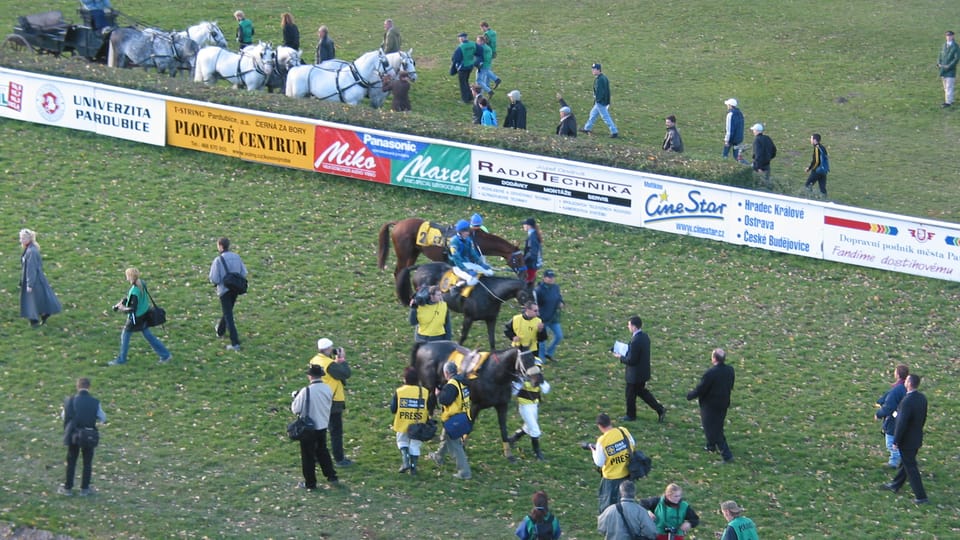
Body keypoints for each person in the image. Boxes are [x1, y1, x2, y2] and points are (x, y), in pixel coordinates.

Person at [109, 268, 171, 366]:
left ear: (130, 277)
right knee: (149, 336)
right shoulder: (141, 283)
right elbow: (131, 299)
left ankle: (122, 359)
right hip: (144, 314)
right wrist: (122, 302)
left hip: (136, 319)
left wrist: (121, 308)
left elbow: (132, 308)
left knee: (125, 336)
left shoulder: (134, 291)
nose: (126, 278)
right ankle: (165, 355)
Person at [882, 374, 929, 504]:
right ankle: (895, 485)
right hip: (916, 437)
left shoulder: (906, 401)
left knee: (911, 467)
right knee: (906, 463)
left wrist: (896, 440)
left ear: (908, 383)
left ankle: (921, 496)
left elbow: (901, 423)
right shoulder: (922, 398)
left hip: (907, 440)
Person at [291, 364, 338, 489]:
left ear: (310, 376)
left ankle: (310, 482)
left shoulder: (306, 391)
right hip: (323, 424)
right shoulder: (328, 389)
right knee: (322, 451)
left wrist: (296, 397)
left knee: (308, 456)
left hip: (309, 428)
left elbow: (296, 409)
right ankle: (331, 475)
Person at [58, 377, 106, 496]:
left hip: (74, 435)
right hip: (88, 434)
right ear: (89, 387)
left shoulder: (70, 400)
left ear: (77, 386)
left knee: (71, 461)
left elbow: (64, 416)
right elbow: (103, 418)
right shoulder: (95, 402)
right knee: (87, 462)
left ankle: (68, 488)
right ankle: (85, 488)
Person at [612, 316, 666, 423]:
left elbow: (632, 360)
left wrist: (620, 357)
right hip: (643, 373)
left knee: (630, 395)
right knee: (642, 393)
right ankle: (660, 409)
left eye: (629, 325)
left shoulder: (635, 340)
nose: (628, 326)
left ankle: (631, 415)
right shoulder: (644, 337)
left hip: (634, 375)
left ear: (634, 327)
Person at [686, 348, 735, 463]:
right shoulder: (730, 370)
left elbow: (702, 388)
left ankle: (727, 455)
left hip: (710, 405)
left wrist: (690, 395)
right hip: (723, 403)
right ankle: (711, 445)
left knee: (713, 429)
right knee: (717, 425)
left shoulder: (710, 373)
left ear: (714, 359)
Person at [310, 338, 353, 466]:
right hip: (332, 400)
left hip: (318, 398)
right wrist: (342, 361)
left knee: (319, 429)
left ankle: (316, 455)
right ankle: (339, 459)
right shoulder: (330, 364)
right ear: (328, 349)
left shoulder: (315, 360)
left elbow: (329, 375)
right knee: (335, 431)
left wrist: (335, 362)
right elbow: (345, 374)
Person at [430, 362, 472, 480]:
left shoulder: (452, 384)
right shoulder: (462, 382)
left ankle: (464, 472)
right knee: (446, 436)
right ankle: (438, 456)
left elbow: (445, 400)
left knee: (455, 446)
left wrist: (439, 394)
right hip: (463, 417)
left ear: (446, 373)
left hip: (454, 419)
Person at [390, 366, 431, 475]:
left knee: (402, 441)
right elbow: (429, 407)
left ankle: (405, 460)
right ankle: (413, 468)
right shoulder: (425, 392)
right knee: (415, 445)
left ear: (405, 379)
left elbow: (393, 409)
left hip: (403, 423)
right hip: (419, 424)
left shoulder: (399, 391)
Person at [209, 237, 248, 351]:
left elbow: (214, 279)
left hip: (224, 290)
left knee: (229, 316)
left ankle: (235, 343)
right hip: (235, 289)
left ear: (220, 246)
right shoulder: (236, 257)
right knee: (228, 311)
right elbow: (243, 272)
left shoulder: (218, 260)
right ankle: (220, 330)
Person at [589, 413, 633, 514]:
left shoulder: (602, 440)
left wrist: (593, 451)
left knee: (608, 507)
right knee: (626, 503)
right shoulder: (623, 431)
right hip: (627, 474)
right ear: (610, 422)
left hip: (611, 479)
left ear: (599, 426)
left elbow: (599, 462)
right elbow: (632, 444)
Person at [19, 228, 61, 328]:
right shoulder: (30, 249)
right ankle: (42, 314)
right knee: (37, 298)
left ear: (28, 239)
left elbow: (31, 268)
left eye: (22, 238)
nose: (21, 240)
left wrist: (29, 284)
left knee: (30, 300)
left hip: (33, 280)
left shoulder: (31, 251)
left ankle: (35, 320)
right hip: (34, 279)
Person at [506, 365, 550, 460]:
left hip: (534, 406)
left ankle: (512, 439)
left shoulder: (540, 380)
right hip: (525, 407)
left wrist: (541, 383)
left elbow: (546, 390)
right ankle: (537, 453)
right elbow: (513, 392)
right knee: (535, 430)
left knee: (528, 427)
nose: (535, 377)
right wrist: (519, 384)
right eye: (533, 375)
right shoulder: (522, 381)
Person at [875, 364, 909, 468]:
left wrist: (879, 414)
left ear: (898, 374)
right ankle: (904, 459)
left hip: (894, 419)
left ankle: (895, 462)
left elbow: (889, 406)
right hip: (905, 419)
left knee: (891, 440)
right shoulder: (906, 387)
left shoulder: (896, 390)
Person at [449, 219, 494, 287]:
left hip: (468, 264)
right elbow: (456, 259)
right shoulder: (454, 242)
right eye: (466, 231)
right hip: (457, 266)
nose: (468, 233)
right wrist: (466, 270)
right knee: (472, 281)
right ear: (461, 232)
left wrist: (481, 263)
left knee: (490, 272)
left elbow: (472, 253)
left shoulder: (468, 239)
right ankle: (458, 286)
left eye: (468, 231)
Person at [581, 63, 619, 138]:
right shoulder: (603, 78)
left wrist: (597, 100)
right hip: (601, 101)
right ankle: (587, 128)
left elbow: (601, 92)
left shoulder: (600, 79)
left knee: (605, 117)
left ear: (598, 70)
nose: (592, 71)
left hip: (600, 102)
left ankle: (614, 131)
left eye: (594, 69)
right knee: (593, 114)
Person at [534, 270, 564, 361]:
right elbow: (534, 304)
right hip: (543, 318)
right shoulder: (538, 290)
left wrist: (561, 303)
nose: (551, 279)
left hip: (553, 317)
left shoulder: (556, 287)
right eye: (549, 277)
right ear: (544, 278)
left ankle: (549, 353)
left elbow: (559, 297)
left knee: (559, 336)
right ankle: (541, 359)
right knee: (542, 340)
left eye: (552, 277)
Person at [450, 33, 478, 104]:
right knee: (466, 81)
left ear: (461, 38)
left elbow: (455, 58)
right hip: (470, 65)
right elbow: (479, 51)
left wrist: (454, 67)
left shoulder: (461, 47)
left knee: (463, 84)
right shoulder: (473, 44)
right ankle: (470, 97)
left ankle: (465, 99)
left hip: (463, 67)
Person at [750, 123, 777, 189]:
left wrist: (758, 167)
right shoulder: (767, 138)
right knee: (766, 184)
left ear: (757, 131)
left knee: (758, 185)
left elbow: (758, 154)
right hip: (767, 165)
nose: (753, 132)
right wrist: (769, 158)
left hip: (759, 167)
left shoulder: (757, 140)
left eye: (754, 130)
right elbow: (774, 150)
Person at [803, 133, 829, 199]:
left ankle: (810, 198)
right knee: (822, 189)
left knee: (807, 185)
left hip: (817, 171)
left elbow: (816, 161)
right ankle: (824, 201)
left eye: (811, 138)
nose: (810, 140)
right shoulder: (822, 147)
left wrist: (810, 169)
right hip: (823, 171)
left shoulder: (817, 148)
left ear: (815, 140)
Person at [937, 31, 959, 108]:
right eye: (947, 36)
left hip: (950, 70)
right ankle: (950, 100)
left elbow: (956, 58)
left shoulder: (955, 46)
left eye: (950, 36)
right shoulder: (944, 45)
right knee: (945, 86)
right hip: (943, 69)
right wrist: (938, 63)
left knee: (949, 86)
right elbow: (940, 55)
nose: (948, 37)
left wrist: (949, 66)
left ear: (953, 36)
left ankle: (948, 102)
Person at [480, 22, 502, 90]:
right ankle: (487, 84)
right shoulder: (493, 32)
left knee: (486, 68)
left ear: (484, 27)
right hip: (493, 51)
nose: (481, 30)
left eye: (481, 28)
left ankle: (496, 79)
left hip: (487, 52)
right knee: (488, 67)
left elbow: (484, 42)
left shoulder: (487, 34)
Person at [521, 217, 543, 285]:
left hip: (531, 265)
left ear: (528, 226)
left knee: (527, 284)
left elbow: (532, 253)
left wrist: (523, 260)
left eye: (524, 224)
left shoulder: (532, 237)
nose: (523, 226)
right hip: (532, 264)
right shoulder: (533, 235)